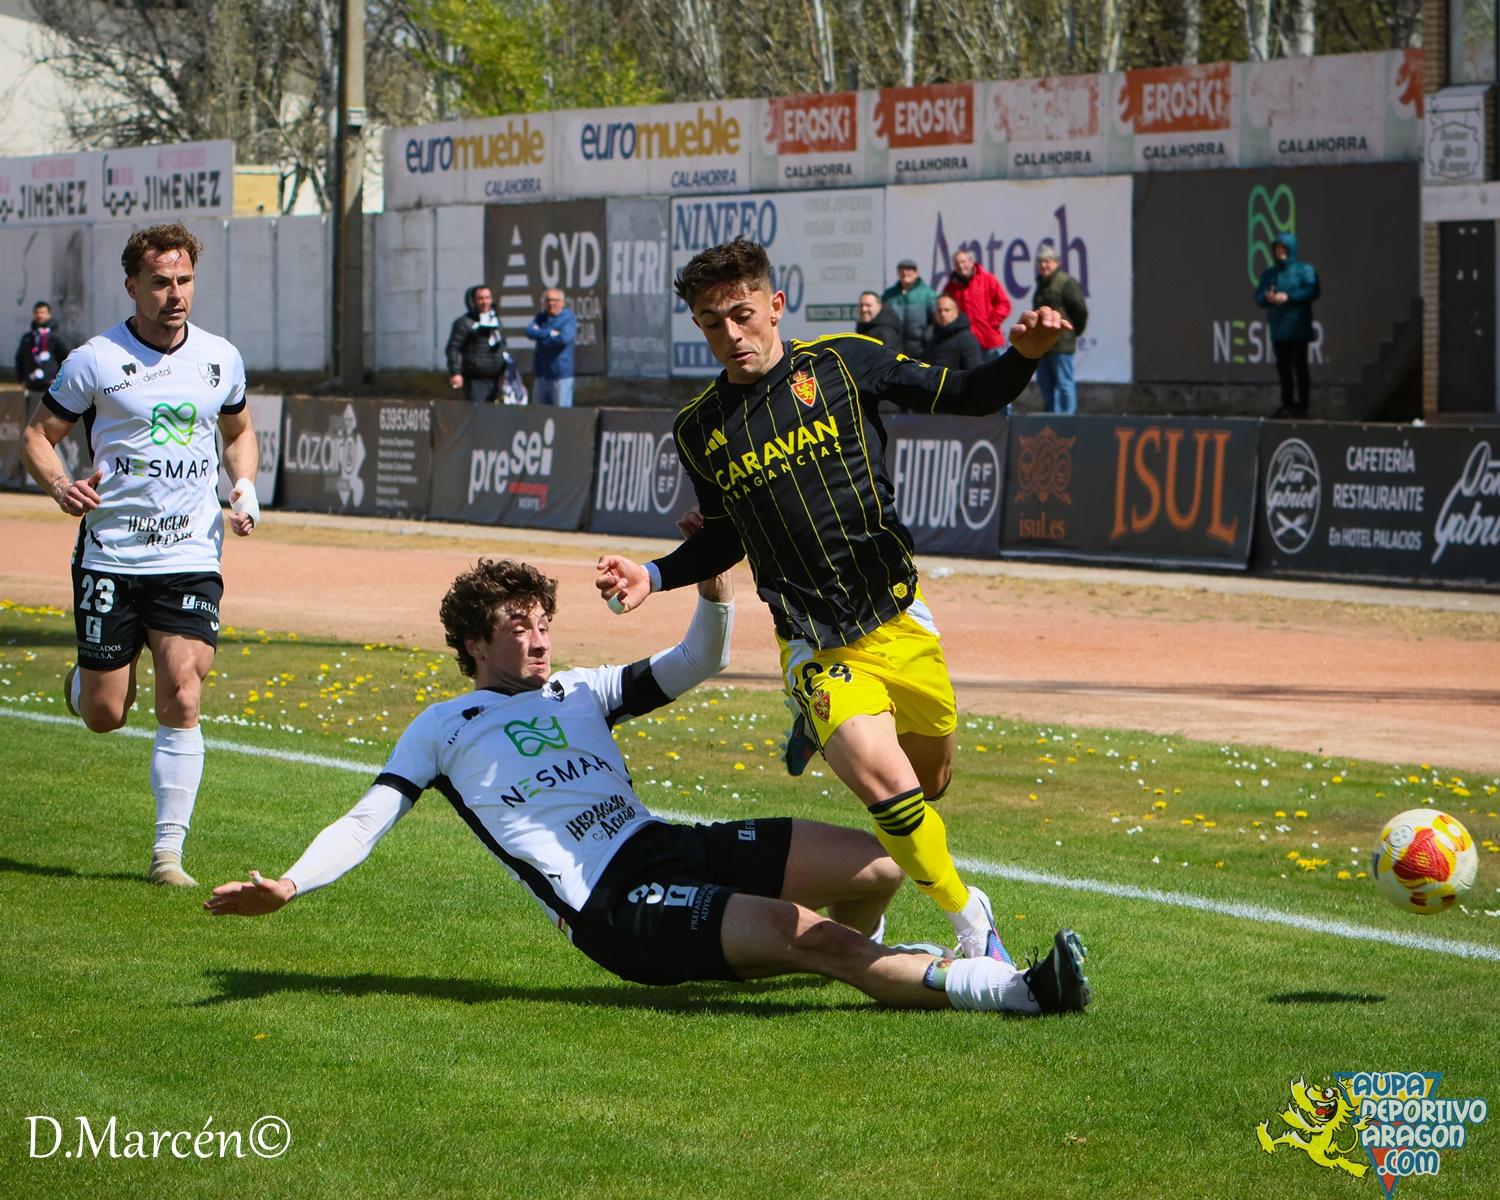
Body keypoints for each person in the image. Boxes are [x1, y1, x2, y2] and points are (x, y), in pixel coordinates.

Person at [205, 557, 1090, 1017]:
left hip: (668, 845)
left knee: (880, 864)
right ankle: (1014, 990)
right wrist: (290, 883)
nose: (539, 637)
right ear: (473, 644)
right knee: (813, 938)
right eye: (518, 626)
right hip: (618, 906)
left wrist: (712, 588)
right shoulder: (443, 727)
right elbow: (365, 821)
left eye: (543, 621)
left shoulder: (580, 690)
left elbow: (698, 658)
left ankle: (869, 959)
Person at [595, 237, 1075, 966]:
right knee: (889, 786)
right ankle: (973, 924)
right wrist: (654, 575)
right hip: (813, 641)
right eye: (711, 323)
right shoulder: (700, 428)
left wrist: (1025, 356)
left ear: (776, 305)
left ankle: (826, 747)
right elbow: (724, 534)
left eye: (742, 314)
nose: (730, 335)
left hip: (899, 618)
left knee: (929, 783)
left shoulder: (845, 362)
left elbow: (968, 395)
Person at [18, 222, 258, 887]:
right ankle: (86, 684)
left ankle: (167, 855)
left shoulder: (220, 358)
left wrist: (243, 485)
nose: (175, 294)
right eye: (159, 282)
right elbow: (37, 436)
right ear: (132, 285)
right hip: (112, 555)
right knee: (105, 715)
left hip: (190, 553)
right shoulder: (94, 360)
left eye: (184, 280)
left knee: (183, 690)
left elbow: (239, 431)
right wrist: (61, 486)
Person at [1254, 233, 1320, 418]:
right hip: (1278, 330)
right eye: (1277, 248)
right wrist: (1267, 297)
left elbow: (1313, 290)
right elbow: (1258, 297)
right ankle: (1288, 404)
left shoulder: (1305, 270)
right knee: (1283, 369)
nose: (1280, 252)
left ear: (1291, 250)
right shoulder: (1269, 274)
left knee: (1300, 367)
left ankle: (1302, 406)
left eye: (1283, 248)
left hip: (1298, 329)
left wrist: (1288, 297)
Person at [1031, 247, 1089, 415]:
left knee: (1064, 384)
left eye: (1047, 261)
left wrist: (1072, 332)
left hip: (1061, 343)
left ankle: (1066, 418)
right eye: (1040, 262)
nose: (1043, 265)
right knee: (1045, 384)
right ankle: (1051, 417)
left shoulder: (1065, 282)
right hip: (1043, 345)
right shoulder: (1041, 283)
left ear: (1056, 262)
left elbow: (1080, 310)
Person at [446, 284, 515, 403]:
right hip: (475, 380)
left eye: (488, 298)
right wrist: (455, 373)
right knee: (478, 411)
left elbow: (502, 345)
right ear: (473, 301)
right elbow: (453, 348)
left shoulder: (496, 321)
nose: (485, 302)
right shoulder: (464, 323)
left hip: (497, 379)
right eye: (481, 298)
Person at [943, 249, 1011, 360]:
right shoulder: (950, 288)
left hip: (990, 342)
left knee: (997, 371)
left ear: (971, 262)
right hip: (966, 345)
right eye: (957, 263)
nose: (960, 266)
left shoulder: (988, 280)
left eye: (963, 262)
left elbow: (1004, 304)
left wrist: (991, 324)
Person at [526, 288, 577, 407]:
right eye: (548, 300)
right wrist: (549, 333)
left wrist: (540, 335)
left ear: (562, 303)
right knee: (539, 413)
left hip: (560, 377)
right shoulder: (541, 317)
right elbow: (529, 331)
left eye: (554, 300)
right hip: (541, 375)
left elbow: (563, 338)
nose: (551, 303)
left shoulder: (568, 319)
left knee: (560, 414)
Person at [879, 259, 936, 358]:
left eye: (909, 270)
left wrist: (927, 337)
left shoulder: (928, 294)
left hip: (921, 353)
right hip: (894, 353)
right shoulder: (889, 295)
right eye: (902, 270)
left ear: (916, 273)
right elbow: (881, 319)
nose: (905, 273)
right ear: (897, 273)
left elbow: (935, 321)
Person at [15, 300, 71, 397]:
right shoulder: (28, 338)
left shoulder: (56, 337)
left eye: (42, 312)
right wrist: (22, 379)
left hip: (51, 387)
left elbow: (68, 358)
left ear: (49, 315)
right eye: (37, 313)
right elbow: (20, 358)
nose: (39, 315)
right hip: (31, 386)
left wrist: (61, 379)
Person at [921, 295, 984, 370]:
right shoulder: (930, 337)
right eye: (939, 310)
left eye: (947, 310)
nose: (943, 314)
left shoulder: (967, 340)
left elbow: (973, 372)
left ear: (956, 312)